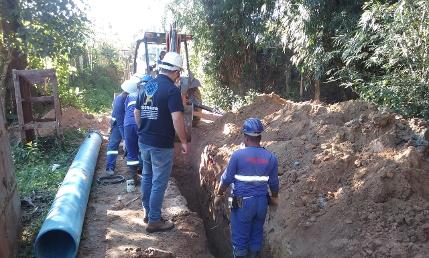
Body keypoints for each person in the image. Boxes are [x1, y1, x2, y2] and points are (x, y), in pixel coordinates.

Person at [134, 51, 189, 233]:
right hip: (160, 145)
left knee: (148, 177)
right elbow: (177, 119)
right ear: (176, 72)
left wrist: (144, 129)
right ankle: (155, 221)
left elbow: (137, 113)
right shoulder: (172, 91)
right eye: (179, 73)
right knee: (159, 181)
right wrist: (183, 141)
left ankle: (148, 213)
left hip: (144, 141)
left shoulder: (146, 86)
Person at [214, 118, 279, 258]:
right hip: (262, 203)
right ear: (260, 137)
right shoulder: (271, 157)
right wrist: (274, 198)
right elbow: (274, 184)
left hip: (241, 201)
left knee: (239, 239)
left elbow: (226, 179)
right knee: (256, 235)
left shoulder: (238, 155)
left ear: (245, 136)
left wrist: (218, 195)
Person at [123, 75, 152, 183]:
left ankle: (133, 177)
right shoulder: (148, 96)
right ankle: (146, 176)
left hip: (127, 125)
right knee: (144, 149)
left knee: (131, 151)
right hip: (140, 123)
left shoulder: (130, 95)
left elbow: (127, 110)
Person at [105, 80, 135, 175]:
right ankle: (110, 167)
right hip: (118, 125)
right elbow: (120, 123)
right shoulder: (119, 101)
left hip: (126, 123)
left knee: (131, 145)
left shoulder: (129, 97)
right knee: (113, 146)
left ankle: (134, 169)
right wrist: (125, 139)